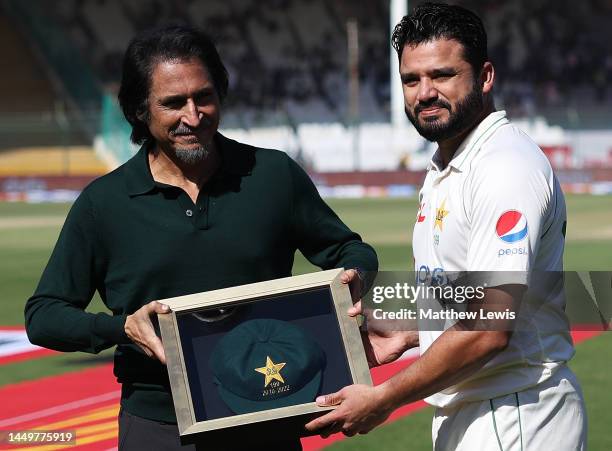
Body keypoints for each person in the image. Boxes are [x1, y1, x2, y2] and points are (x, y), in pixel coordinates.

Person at [24, 25, 378, 450]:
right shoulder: (104, 203)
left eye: (204, 97)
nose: (193, 117)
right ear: (140, 109)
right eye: (173, 103)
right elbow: (43, 314)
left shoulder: (273, 174)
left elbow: (348, 248)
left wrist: (357, 272)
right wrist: (122, 328)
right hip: (158, 427)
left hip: (269, 412)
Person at [306, 3, 587, 450]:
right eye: (411, 79)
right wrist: (411, 330)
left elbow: (491, 325)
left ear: (485, 76)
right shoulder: (447, 163)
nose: (425, 92)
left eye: (442, 75)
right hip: (479, 408)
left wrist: (384, 398)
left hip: (514, 414)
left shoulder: (503, 168)